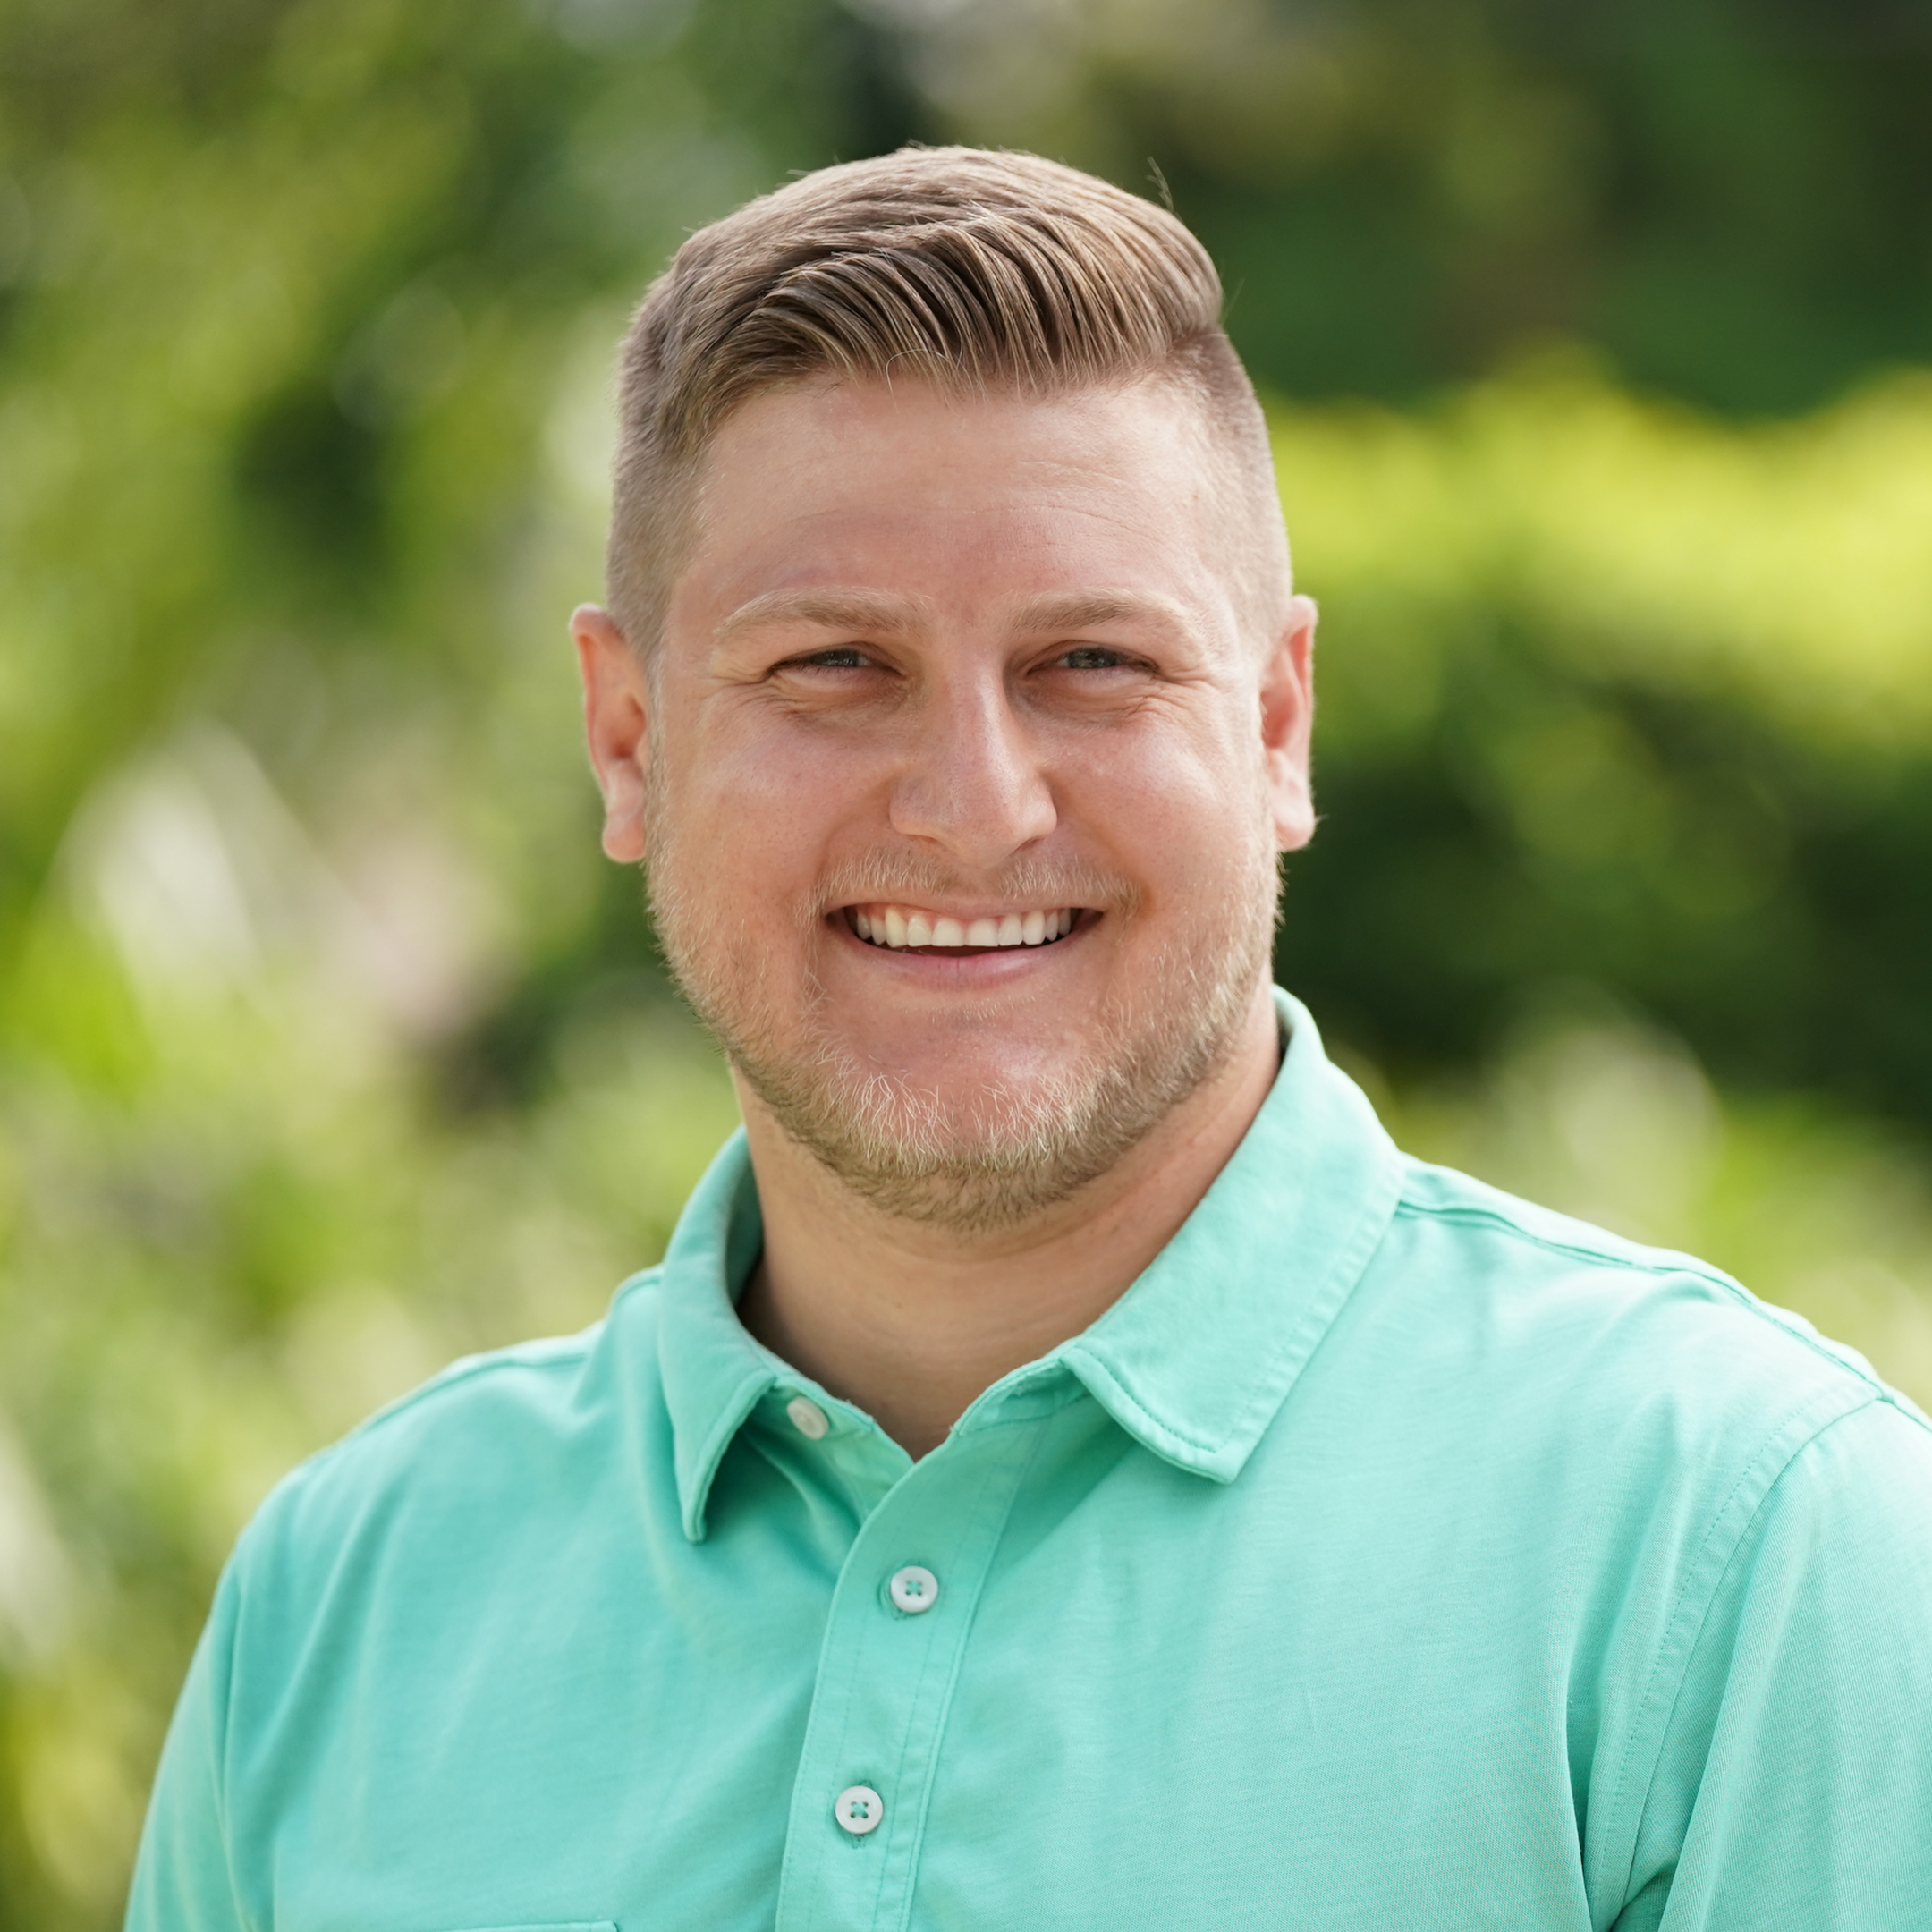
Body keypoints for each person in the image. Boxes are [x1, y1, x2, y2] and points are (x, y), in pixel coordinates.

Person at [126, 147, 1932, 1932]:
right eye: (835, 665)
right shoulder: (345, 1606)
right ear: (629, 739)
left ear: (1278, 728)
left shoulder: (1742, 1555)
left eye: (1093, 664)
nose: (976, 807)